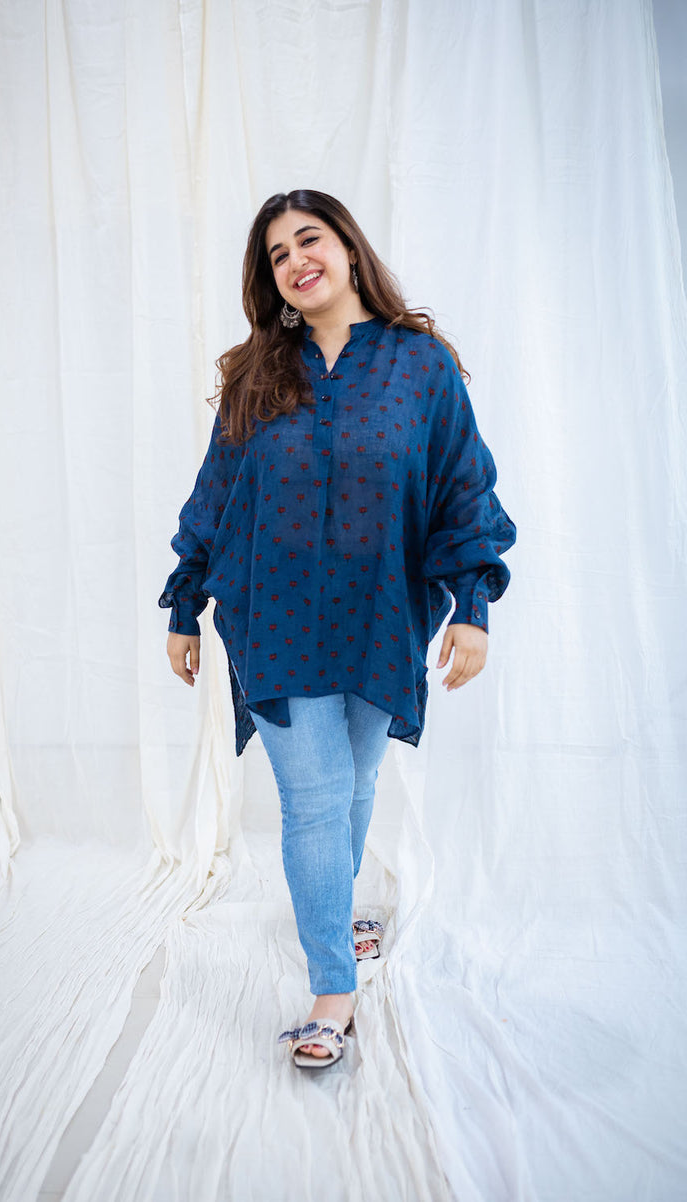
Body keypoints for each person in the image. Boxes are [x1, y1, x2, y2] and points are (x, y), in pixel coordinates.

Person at [159, 189, 516, 1069]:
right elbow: (214, 494)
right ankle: (332, 988)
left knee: (356, 782)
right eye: (277, 254)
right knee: (314, 798)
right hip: (274, 615)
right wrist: (185, 601)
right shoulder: (256, 373)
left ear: (349, 248)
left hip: (380, 615)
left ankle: (341, 911)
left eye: (308, 240)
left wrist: (472, 608)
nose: (295, 261)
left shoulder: (420, 366)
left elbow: (462, 486)